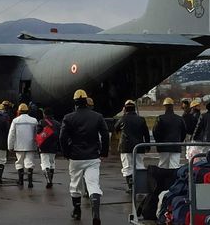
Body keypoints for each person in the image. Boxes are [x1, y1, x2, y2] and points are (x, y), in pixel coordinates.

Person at [60, 89, 109, 224]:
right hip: (93, 156)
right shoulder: (97, 116)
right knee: (93, 184)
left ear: (75, 102)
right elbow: (105, 135)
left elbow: (62, 137)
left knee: (75, 185)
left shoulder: (68, 118)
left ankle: (77, 211)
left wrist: (66, 152)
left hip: (75, 157)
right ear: (87, 102)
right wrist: (104, 152)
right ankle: (96, 213)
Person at [115, 99, 151, 193]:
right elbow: (146, 133)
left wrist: (124, 115)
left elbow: (116, 127)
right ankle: (141, 186)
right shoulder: (141, 119)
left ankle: (131, 187)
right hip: (139, 146)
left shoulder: (123, 119)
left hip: (125, 147)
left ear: (125, 109)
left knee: (127, 167)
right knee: (139, 166)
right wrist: (147, 145)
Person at [8, 103, 38, 188]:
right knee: (30, 163)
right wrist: (37, 144)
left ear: (19, 111)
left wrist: (10, 146)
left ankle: (21, 181)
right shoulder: (34, 120)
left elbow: (11, 134)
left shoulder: (15, 121)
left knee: (19, 163)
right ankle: (30, 182)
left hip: (19, 146)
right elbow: (37, 134)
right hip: (31, 145)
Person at [153, 97, 187, 169]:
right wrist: (179, 141)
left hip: (163, 146)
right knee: (175, 166)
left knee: (162, 165)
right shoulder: (179, 118)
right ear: (172, 106)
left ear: (165, 106)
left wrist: (159, 142)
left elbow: (155, 132)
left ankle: (163, 180)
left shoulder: (160, 118)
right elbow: (184, 131)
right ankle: (173, 180)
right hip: (176, 145)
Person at [38, 107, 61, 189]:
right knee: (52, 163)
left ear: (44, 114)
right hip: (53, 146)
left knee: (44, 163)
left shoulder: (41, 122)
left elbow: (38, 132)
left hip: (43, 146)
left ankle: (48, 181)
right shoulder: (57, 124)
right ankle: (51, 179)